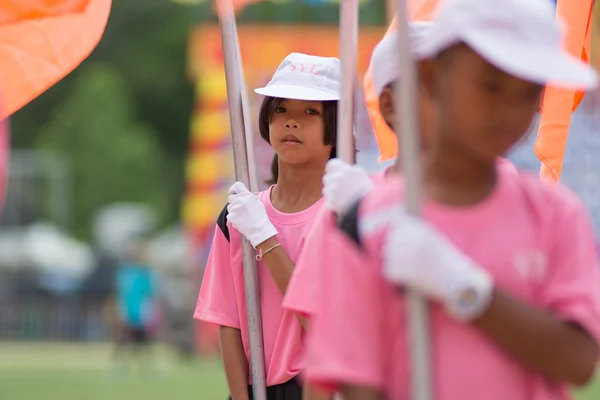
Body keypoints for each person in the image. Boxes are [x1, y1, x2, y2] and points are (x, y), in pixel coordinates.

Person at [303, 0, 600, 399]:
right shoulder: (367, 223)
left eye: (529, 93)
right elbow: (353, 378)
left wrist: (466, 288)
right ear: (430, 76)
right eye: (490, 84)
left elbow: (579, 360)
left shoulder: (557, 214)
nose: (510, 109)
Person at [194, 53, 341, 400]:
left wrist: (264, 237)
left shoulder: (342, 216)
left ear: (336, 124)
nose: (291, 122)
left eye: (310, 112)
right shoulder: (237, 216)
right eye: (281, 110)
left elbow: (324, 326)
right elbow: (228, 321)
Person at [113, 239, 158, 373]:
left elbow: (150, 293)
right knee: (123, 341)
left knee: (144, 342)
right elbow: (121, 293)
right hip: (128, 312)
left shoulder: (144, 273)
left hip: (141, 314)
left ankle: (148, 368)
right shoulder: (125, 272)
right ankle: (120, 367)